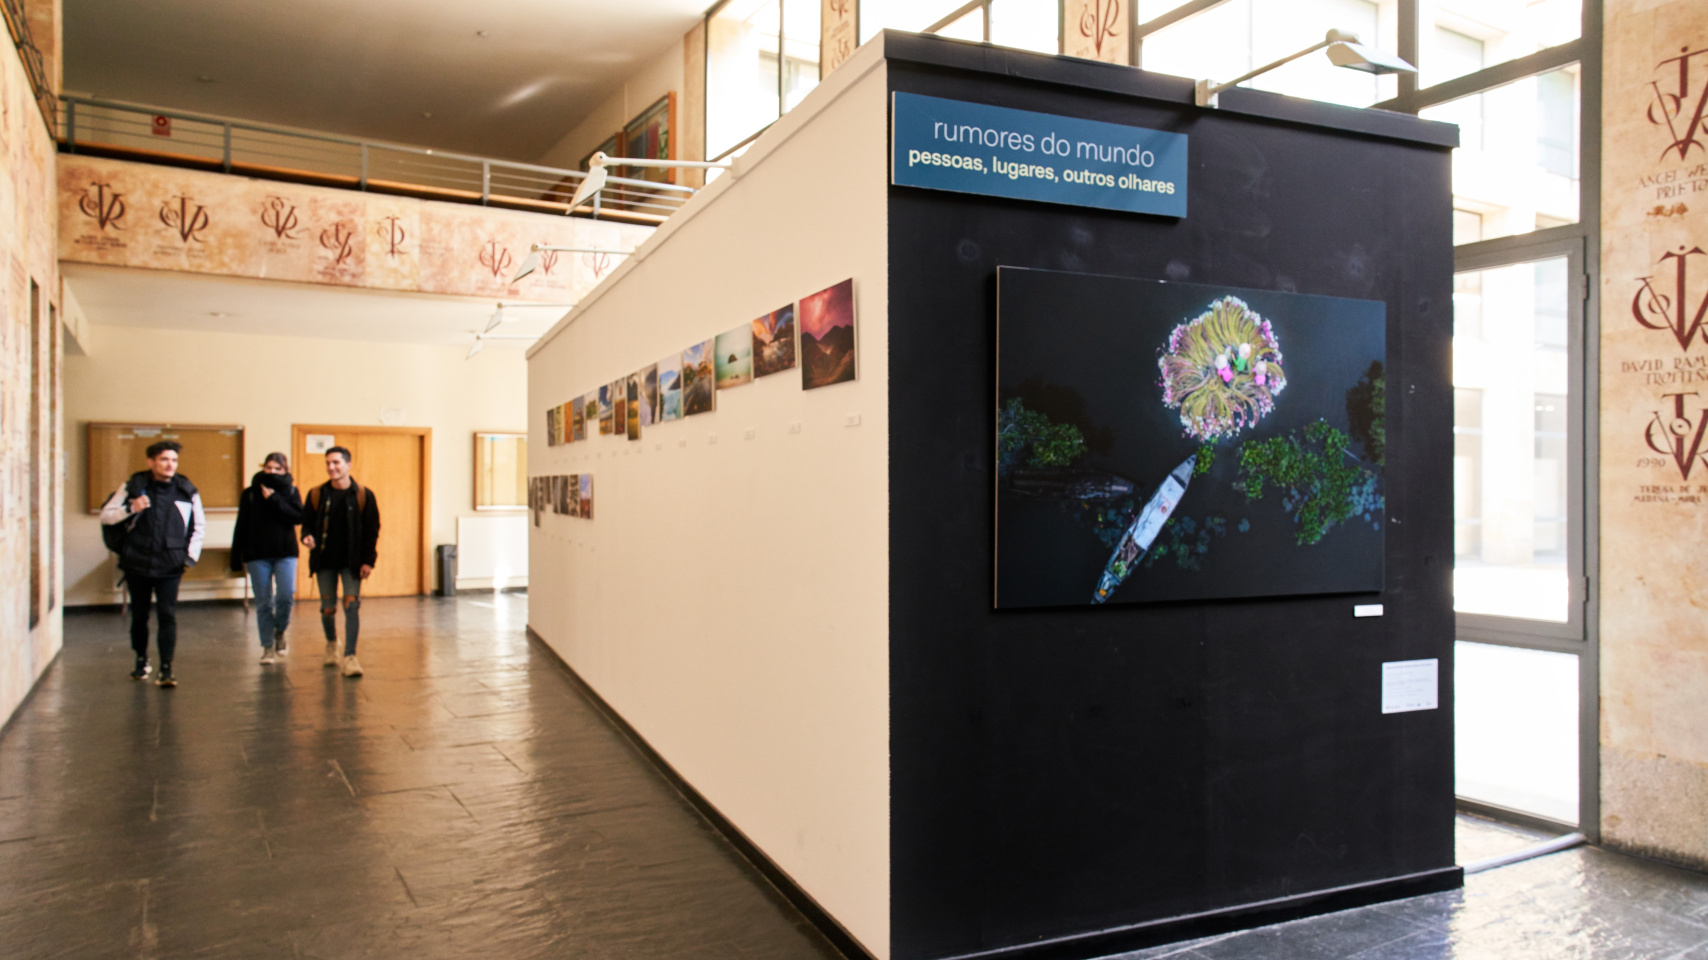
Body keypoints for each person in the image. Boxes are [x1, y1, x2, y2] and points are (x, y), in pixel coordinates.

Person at [98, 440, 205, 688]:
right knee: (140, 616)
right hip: (137, 563)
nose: (170, 465)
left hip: (170, 564)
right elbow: (106, 516)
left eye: (174, 460)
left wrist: (189, 557)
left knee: (167, 615)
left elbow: (198, 525)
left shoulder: (186, 490)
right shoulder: (133, 486)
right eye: (164, 459)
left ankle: (166, 668)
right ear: (151, 462)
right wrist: (131, 508)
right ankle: (141, 659)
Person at [299, 446, 379, 677]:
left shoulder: (363, 495)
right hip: (324, 561)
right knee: (328, 609)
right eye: (328, 463)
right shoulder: (317, 494)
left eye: (336, 462)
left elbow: (372, 531)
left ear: (348, 465)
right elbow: (306, 523)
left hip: (352, 562)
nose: (331, 467)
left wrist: (368, 561)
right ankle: (332, 643)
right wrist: (306, 536)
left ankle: (350, 657)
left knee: (351, 605)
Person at [230, 453, 304, 665]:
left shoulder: (291, 491)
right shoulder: (250, 493)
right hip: (257, 555)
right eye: (269, 468)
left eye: (277, 468)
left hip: (285, 553)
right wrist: (236, 555)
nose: (272, 472)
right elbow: (241, 525)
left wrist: (274, 499)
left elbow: (298, 517)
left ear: (285, 470)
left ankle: (280, 631)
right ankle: (267, 647)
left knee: (286, 596)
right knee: (263, 602)